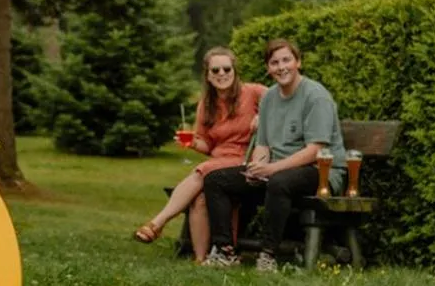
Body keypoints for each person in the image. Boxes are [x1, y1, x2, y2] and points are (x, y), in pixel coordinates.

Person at [201, 38, 346, 272]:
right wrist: (257, 168)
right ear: (268, 68)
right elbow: (263, 145)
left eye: (286, 60)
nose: (281, 67)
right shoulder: (269, 97)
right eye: (274, 63)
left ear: (298, 62)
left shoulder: (316, 96)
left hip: (321, 172)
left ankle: (268, 255)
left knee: (279, 181)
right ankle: (225, 251)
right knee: (215, 179)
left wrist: (271, 169)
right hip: (278, 172)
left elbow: (316, 150)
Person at [134, 47, 265, 262]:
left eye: (226, 69)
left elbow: (282, 102)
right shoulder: (207, 104)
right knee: (199, 198)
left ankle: (158, 223)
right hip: (220, 160)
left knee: (200, 172)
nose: (222, 74)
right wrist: (192, 142)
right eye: (215, 70)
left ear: (234, 71)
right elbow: (208, 144)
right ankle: (200, 259)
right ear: (207, 75)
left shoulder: (253, 92)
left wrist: (264, 116)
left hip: (246, 158)